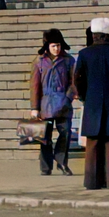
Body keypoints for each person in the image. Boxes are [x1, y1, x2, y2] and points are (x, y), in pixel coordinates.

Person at [73, 17, 109, 190]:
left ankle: (92, 182)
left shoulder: (85, 54)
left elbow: (78, 79)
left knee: (92, 144)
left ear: (94, 34)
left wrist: (85, 97)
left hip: (92, 104)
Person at [29, 28, 76, 176]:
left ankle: (62, 162)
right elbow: (34, 86)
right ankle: (45, 166)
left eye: (59, 45)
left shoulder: (69, 60)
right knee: (45, 136)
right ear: (47, 46)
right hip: (46, 104)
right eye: (53, 46)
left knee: (65, 133)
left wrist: (68, 97)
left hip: (63, 103)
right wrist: (34, 107)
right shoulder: (39, 62)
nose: (57, 49)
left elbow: (74, 82)